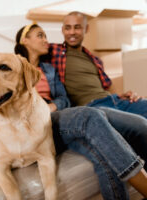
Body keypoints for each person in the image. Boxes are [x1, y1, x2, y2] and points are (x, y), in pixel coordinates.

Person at [14, 23, 147, 200]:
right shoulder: (12, 65)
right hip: (32, 123)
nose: (46, 40)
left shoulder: (49, 69)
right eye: (40, 36)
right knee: (91, 115)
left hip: (53, 117)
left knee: (109, 147)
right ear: (25, 40)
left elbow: (63, 98)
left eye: (46, 36)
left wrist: (51, 106)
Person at [48, 11, 147, 119]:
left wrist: (122, 95)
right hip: (94, 107)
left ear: (86, 29)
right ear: (62, 30)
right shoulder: (53, 51)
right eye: (67, 28)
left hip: (113, 100)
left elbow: (107, 86)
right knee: (138, 123)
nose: (72, 32)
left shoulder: (95, 59)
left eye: (77, 27)